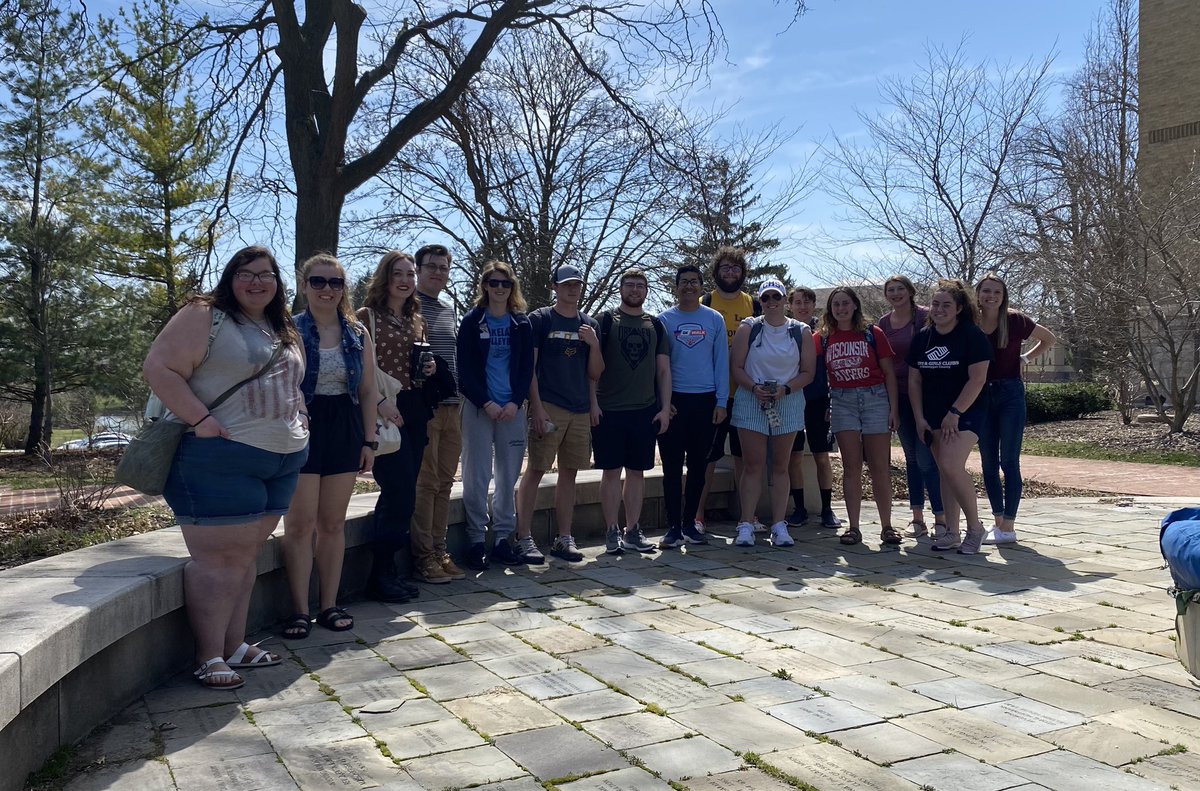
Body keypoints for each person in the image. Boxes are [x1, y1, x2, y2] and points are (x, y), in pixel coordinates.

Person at [143, 245, 308, 689]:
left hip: (281, 459)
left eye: (266, 275)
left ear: (278, 281)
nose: (257, 282)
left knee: (244, 555)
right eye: (246, 274)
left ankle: (235, 645)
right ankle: (208, 656)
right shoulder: (205, 314)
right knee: (217, 560)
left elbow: (292, 382)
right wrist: (203, 421)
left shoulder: (281, 324)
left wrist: (301, 422)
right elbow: (159, 368)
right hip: (216, 459)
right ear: (230, 279)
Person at [281, 254, 377, 638]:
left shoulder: (358, 333)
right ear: (304, 286)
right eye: (318, 282)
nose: (327, 289)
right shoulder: (288, 330)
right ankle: (299, 610)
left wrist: (369, 439)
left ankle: (330, 604)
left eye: (335, 283)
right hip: (303, 424)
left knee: (333, 524)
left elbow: (368, 390)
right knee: (300, 524)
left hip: (345, 425)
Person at [358, 251, 435, 601]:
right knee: (396, 491)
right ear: (384, 278)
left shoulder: (417, 319)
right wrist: (378, 402)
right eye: (398, 274)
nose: (405, 281)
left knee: (407, 493)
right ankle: (379, 574)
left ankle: (390, 571)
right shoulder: (366, 318)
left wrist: (428, 367)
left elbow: (414, 362)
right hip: (384, 408)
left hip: (414, 407)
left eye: (410, 275)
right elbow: (358, 369)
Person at [516, 264, 604, 563]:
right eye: (566, 284)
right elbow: (530, 367)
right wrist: (536, 407)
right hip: (549, 406)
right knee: (537, 470)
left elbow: (595, 373)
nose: (572, 289)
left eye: (577, 284)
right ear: (555, 287)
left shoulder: (589, 324)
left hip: (580, 408)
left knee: (570, 474)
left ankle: (564, 538)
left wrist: (593, 345)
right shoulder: (540, 319)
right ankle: (524, 537)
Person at [456, 261, 534, 570]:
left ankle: (503, 539)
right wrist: (486, 401)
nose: (500, 288)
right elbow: (465, 370)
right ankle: (476, 540)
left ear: (512, 288)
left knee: (507, 477)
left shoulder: (521, 324)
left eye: (506, 283)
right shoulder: (472, 322)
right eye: (494, 283)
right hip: (479, 408)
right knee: (476, 475)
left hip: (512, 410)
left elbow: (527, 367)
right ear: (485, 286)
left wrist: (516, 401)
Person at [907, 279, 993, 554]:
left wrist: (955, 412)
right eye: (935, 304)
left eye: (946, 305)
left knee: (950, 463)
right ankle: (952, 532)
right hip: (932, 413)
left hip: (967, 410)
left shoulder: (972, 335)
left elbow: (977, 379)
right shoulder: (923, 336)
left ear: (958, 308)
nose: (939, 309)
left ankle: (975, 528)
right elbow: (914, 381)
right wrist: (919, 418)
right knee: (944, 469)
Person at [592, 268, 672, 555]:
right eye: (630, 285)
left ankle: (632, 530)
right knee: (611, 472)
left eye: (640, 285)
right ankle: (611, 529)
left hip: (644, 410)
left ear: (647, 291)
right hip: (609, 410)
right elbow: (592, 369)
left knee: (637, 473)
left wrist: (664, 408)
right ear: (620, 288)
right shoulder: (605, 321)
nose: (635, 290)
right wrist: (593, 403)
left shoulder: (656, 325)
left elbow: (663, 370)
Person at [729, 279, 815, 548]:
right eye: (765, 298)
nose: (771, 302)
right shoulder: (749, 327)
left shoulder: (800, 331)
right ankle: (746, 524)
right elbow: (737, 367)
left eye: (776, 297)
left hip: (787, 401)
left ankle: (779, 525)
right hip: (752, 399)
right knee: (753, 465)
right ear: (760, 302)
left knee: (781, 466)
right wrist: (755, 388)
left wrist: (785, 389)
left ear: (784, 300)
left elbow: (808, 372)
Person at [975, 272, 1056, 545]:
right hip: (980, 395)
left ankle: (1008, 526)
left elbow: (1049, 339)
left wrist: (1025, 357)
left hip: (1010, 393)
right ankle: (998, 522)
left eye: (997, 292)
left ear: (1003, 296)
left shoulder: (1015, 320)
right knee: (987, 462)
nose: (991, 296)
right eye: (986, 291)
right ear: (978, 294)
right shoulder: (970, 321)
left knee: (1009, 461)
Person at [819, 286, 900, 547]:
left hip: (875, 399)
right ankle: (853, 527)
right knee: (851, 467)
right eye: (836, 305)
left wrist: (894, 409)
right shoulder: (823, 338)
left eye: (845, 303)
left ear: (855, 305)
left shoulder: (872, 333)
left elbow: (889, 373)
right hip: (843, 401)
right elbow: (812, 370)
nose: (841, 309)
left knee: (879, 467)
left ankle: (887, 526)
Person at [658, 265, 728, 548]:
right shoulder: (663, 319)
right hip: (674, 402)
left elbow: (721, 362)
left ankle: (690, 523)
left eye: (694, 282)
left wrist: (721, 402)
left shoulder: (714, 319)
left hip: (706, 401)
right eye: (683, 282)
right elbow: (658, 367)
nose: (689, 286)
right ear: (676, 287)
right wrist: (663, 402)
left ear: (702, 286)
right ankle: (673, 526)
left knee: (699, 466)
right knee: (672, 468)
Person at [695, 246, 761, 532]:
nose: (731, 273)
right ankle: (696, 516)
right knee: (706, 457)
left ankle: (749, 516)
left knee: (745, 458)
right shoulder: (704, 301)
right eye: (725, 268)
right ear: (716, 272)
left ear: (743, 273)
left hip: (747, 392)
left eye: (735, 268)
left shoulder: (755, 304)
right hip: (713, 394)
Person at [411, 243, 465, 583]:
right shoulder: (407, 308)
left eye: (443, 267)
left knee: (445, 483)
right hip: (424, 408)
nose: (437, 273)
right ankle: (423, 557)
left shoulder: (446, 311)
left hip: (453, 407)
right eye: (431, 266)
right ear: (418, 269)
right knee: (425, 484)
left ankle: (441, 550)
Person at [879, 275, 945, 540]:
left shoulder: (926, 317)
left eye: (900, 289)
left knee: (927, 459)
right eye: (890, 290)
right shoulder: (884, 323)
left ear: (910, 291)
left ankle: (941, 518)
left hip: (928, 395)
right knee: (911, 459)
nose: (896, 294)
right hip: (899, 396)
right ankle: (917, 518)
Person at [786, 287, 843, 529]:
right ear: (790, 305)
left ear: (814, 305)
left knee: (821, 456)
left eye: (807, 302)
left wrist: (832, 402)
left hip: (818, 401)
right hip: (790, 401)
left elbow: (834, 370)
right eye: (798, 302)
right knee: (794, 456)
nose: (802, 306)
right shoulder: (783, 330)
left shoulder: (825, 333)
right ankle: (799, 509)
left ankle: (827, 510)